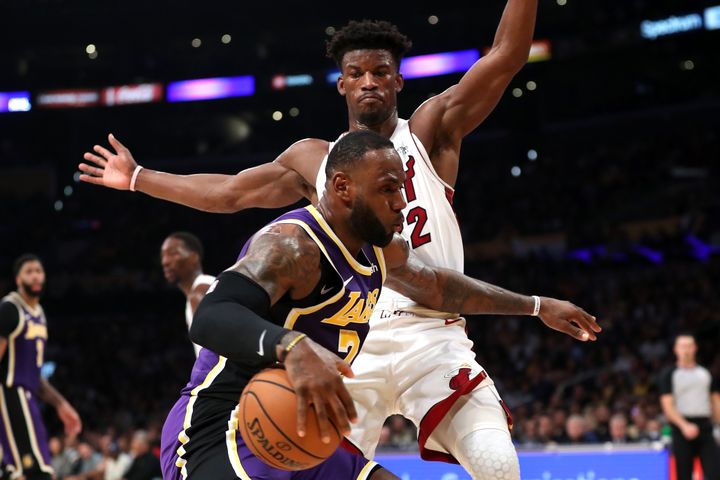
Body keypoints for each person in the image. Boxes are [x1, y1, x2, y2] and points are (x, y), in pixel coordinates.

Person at [80, 5, 601, 477]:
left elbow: (508, 55)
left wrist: (535, 306)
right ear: (342, 85)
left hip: (432, 333)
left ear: (398, 80)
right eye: (357, 74)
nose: (369, 83)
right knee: (313, 461)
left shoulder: (430, 129)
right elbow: (230, 192)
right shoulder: (316, 160)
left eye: (379, 72)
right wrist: (137, 177)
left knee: (497, 466)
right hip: (351, 342)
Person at [159, 131, 598, 479]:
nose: (402, 202)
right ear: (343, 187)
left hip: (298, 432)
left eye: (403, 189)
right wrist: (292, 346)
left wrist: (538, 306)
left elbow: (440, 289)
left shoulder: (381, 251)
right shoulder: (292, 247)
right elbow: (212, 316)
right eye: (389, 189)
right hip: (221, 428)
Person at [0, 254, 82, 480]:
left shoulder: (39, 314)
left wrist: (61, 404)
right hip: (9, 394)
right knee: (36, 471)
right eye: (29, 271)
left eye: (39, 271)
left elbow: (36, 374)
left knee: (17, 471)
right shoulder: (10, 309)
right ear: (18, 279)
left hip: (28, 396)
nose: (36, 276)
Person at [659, 333, 720, 480]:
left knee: (715, 472)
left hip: (705, 427)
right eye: (682, 346)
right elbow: (667, 405)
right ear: (676, 349)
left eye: (689, 346)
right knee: (684, 475)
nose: (686, 349)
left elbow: (715, 401)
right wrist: (684, 425)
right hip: (681, 429)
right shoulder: (669, 374)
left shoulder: (705, 373)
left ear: (695, 348)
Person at [160, 232, 215, 357]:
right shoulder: (205, 286)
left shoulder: (200, 292)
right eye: (163, 256)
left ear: (194, 257)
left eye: (173, 253)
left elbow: (220, 351)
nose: (165, 262)